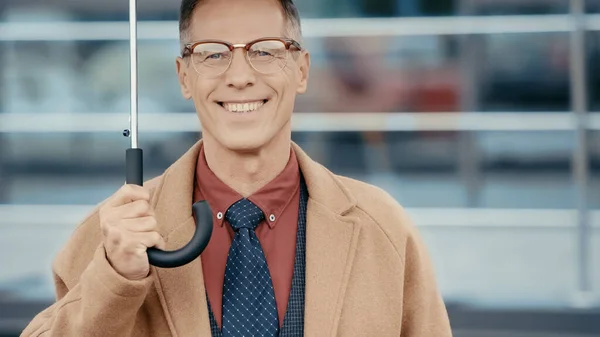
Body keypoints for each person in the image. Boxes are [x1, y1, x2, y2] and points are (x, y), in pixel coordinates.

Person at [21, 0, 453, 335]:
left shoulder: (384, 230)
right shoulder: (110, 236)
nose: (240, 76)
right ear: (184, 77)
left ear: (301, 70)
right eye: (212, 55)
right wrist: (114, 281)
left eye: (265, 51)